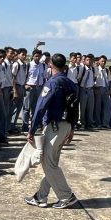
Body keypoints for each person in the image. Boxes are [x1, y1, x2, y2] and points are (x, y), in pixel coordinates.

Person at [24, 52, 78, 210]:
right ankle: (40, 196)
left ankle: (67, 196)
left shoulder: (52, 83)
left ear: (50, 65)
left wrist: (32, 130)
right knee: (51, 163)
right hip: (66, 126)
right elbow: (75, 108)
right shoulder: (70, 83)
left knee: (49, 164)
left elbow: (41, 107)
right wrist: (72, 128)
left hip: (55, 126)